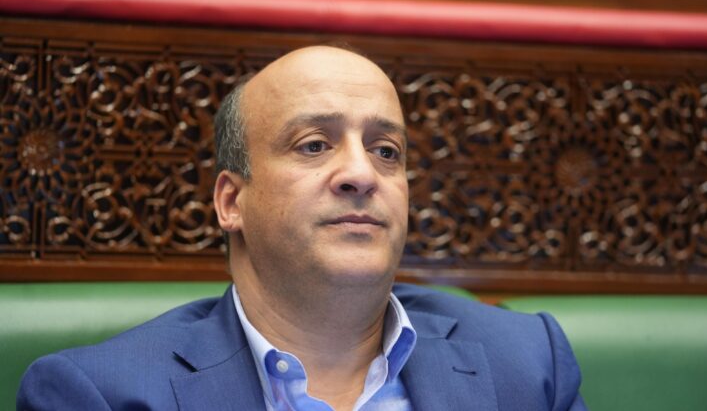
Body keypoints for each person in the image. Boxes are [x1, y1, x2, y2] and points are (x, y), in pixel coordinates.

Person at [17, 46, 586, 410]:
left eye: (386, 151)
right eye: (314, 145)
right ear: (232, 202)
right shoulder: (101, 395)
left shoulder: (528, 364)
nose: (362, 173)